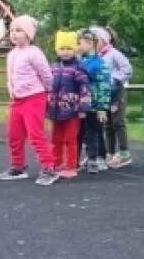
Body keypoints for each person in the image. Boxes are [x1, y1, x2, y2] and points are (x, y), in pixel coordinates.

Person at [0, 15, 58, 186]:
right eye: (12, 31)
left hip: (34, 97)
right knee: (14, 135)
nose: (14, 34)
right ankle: (18, 167)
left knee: (35, 134)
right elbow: (10, 75)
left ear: (29, 34)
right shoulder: (11, 54)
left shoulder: (34, 53)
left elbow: (46, 74)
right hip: (17, 99)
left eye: (19, 30)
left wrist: (48, 91)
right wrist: (11, 88)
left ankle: (48, 168)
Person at [48, 30, 91, 180]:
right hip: (55, 109)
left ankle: (71, 165)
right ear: (57, 50)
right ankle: (56, 163)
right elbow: (48, 86)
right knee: (56, 138)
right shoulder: (53, 67)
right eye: (62, 48)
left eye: (69, 49)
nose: (65, 52)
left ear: (75, 49)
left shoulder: (78, 67)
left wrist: (83, 107)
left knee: (70, 138)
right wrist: (47, 104)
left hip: (72, 110)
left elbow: (84, 88)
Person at [93, 26, 133, 169]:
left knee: (118, 122)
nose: (93, 44)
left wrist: (115, 79)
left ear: (103, 41)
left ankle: (124, 153)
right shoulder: (96, 57)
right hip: (104, 95)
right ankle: (110, 153)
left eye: (95, 41)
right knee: (107, 124)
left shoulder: (114, 54)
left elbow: (127, 70)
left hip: (116, 92)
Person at [78, 29, 111, 174]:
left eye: (80, 43)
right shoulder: (80, 61)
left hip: (94, 104)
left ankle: (99, 157)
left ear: (90, 43)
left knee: (95, 131)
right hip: (81, 105)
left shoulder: (99, 63)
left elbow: (104, 86)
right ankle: (90, 156)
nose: (78, 46)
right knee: (83, 133)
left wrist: (102, 107)